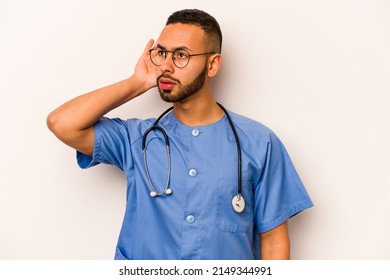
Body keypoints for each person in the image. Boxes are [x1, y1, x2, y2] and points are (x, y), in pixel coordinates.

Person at [47, 9, 313, 260]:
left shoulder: (259, 143)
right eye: (162, 53)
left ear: (212, 65)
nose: (167, 66)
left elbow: (274, 240)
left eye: (182, 55)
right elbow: (62, 123)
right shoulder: (135, 138)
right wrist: (137, 82)